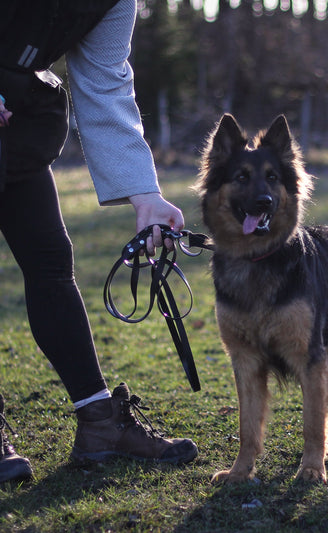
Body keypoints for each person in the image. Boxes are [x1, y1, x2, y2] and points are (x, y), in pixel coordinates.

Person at [0, 0, 198, 484]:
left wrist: (144, 194)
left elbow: (105, 80)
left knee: (50, 262)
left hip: (16, 121)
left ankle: (99, 424)